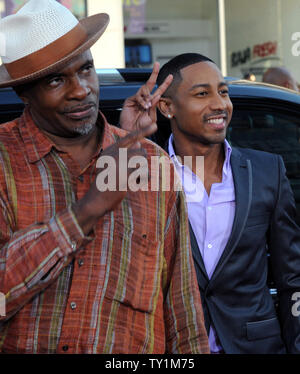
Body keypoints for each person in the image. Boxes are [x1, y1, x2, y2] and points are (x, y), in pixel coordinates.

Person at [0, 1, 210, 354]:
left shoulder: (153, 165)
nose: (81, 89)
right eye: (56, 80)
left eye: (86, 69)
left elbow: (182, 307)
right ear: (25, 93)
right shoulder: (4, 161)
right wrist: (87, 210)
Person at [121, 53, 300, 354]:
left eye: (223, 92)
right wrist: (129, 141)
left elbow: (293, 277)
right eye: (202, 93)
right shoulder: (145, 174)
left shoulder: (267, 171)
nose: (220, 104)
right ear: (167, 107)